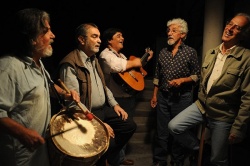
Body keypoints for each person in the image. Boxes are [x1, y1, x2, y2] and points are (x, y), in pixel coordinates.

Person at [0, 8, 80, 166]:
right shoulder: (8, 68)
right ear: (31, 38)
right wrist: (23, 133)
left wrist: (65, 93)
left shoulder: (37, 61)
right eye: (46, 31)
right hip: (20, 155)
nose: (53, 35)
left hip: (38, 151)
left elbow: (46, 86)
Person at [168, 12, 250, 166]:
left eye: (237, 27)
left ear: (243, 35)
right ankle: (200, 148)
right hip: (202, 106)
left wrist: (239, 128)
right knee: (174, 126)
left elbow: (248, 98)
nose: (229, 28)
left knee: (217, 160)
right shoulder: (211, 53)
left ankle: (212, 154)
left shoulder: (246, 58)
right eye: (229, 23)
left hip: (223, 114)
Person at [58, 23, 137, 166]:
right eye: (94, 37)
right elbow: (73, 103)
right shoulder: (70, 63)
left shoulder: (94, 59)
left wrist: (115, 104)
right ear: (82, 40)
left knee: (129, 125)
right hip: (85, 114)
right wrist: (99, 124)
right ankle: (100, 159)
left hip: (102, 110)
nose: (100, 40)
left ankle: (104, 157)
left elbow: (103, 86)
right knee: (108, 141)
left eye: (99, 37)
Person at [98, 28, 153, 165]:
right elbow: (118, 66)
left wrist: (144, 60)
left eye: (122, 35)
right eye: (118, 36)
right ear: (109, 41)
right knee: (117, 129)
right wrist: (138, 62)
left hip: (127, 96)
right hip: (115, 99)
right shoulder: (105, 55)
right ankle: (110, 159)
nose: (122, 38)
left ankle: (120, 158)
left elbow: (131, 71)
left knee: (126, 129)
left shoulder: (121, 55)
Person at [150, 18, 200, 166]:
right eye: (168, 31)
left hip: (182, 98)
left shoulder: (190, 52)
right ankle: (160, 160)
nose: (169, 33)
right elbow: (157, 76)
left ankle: (177, 160)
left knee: (178, 130)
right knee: (162, 131)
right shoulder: (163, 52)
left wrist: (182, 80)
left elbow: (197, 75)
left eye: (174, 31)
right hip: (163, 97)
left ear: (183, 35)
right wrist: (154, 95)